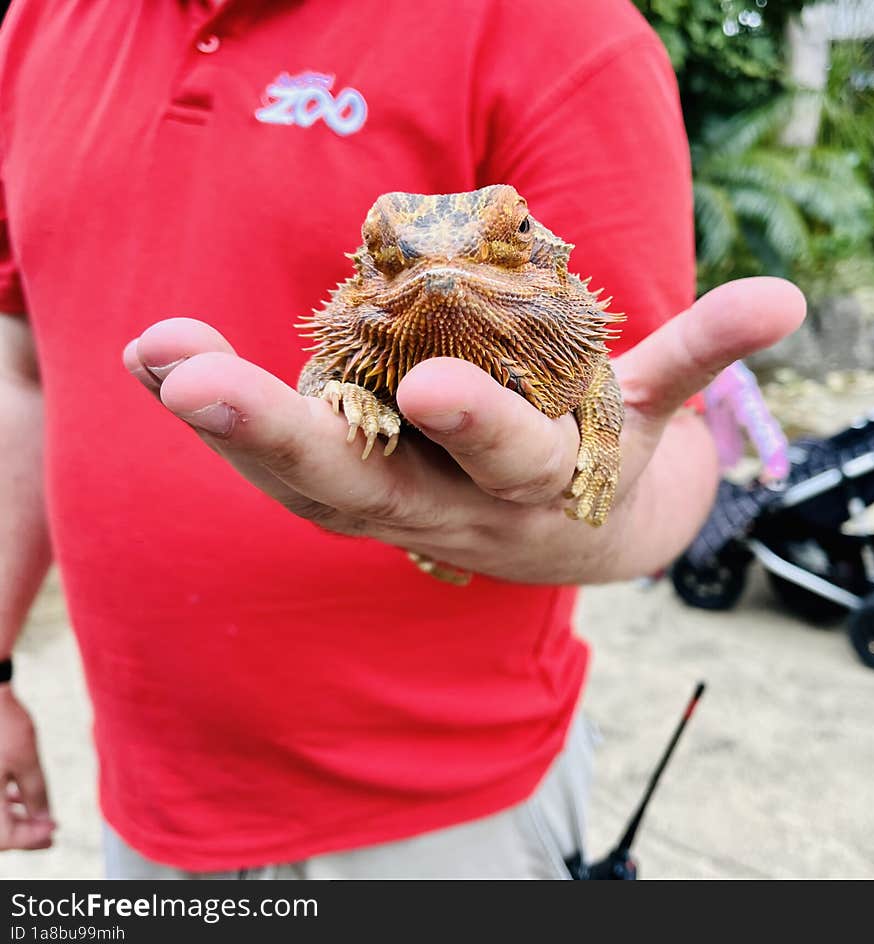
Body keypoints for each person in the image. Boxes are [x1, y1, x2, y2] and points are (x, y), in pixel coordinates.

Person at [0, 0, 804, 878]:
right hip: (150, 796)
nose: (438, 279)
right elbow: (19, 370)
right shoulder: (34, 21)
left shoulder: (562, 28)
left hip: (452, 811)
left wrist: (577, 508)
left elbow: (648, 406)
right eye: (393, 261)